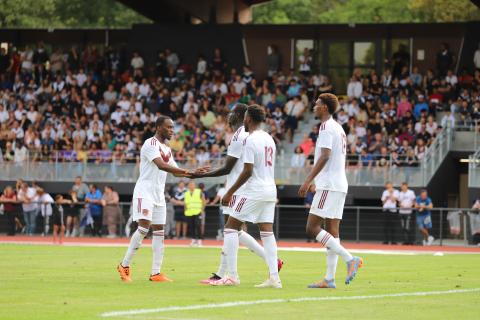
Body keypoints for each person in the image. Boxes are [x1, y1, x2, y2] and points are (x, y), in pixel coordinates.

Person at [193, 104, 282, 285]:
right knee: (262, 231)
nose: (229, 115)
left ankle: (231, 276)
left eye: (232, 112)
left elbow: (234, 168)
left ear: (245, 117)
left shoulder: (243, 136)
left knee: (230, 229)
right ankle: (273, 273)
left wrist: (226, 189)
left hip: (247, 188)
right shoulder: (268, 137)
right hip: (267, 188)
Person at [117, 116, 205, 283]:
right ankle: (124, 265)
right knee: (143, 229)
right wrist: (188, 172)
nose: (172, 130)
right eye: (169, 127)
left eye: (173, 128)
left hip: (158, 194)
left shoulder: (167, 148)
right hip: (145, 192)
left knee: (159, 231)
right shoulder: (150, 144)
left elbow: (175, 171)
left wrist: (194, 172)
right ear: (158, 127)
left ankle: (156, 273)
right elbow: (161, 165)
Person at [298, 93, 363, 289]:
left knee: (312, 227)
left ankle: (350, 258)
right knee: (333, 231)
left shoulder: (326, 127)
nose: (314, 106)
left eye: (317, 103)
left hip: (329, 184)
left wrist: (308, 180)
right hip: (339, 183)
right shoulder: (338, 128)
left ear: (325, 107)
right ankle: (329, 279)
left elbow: (325, 156)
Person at [184, 181, 205, 247]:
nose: (191, 186)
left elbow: (203, 201)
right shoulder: (186, 193)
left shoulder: (199, 191)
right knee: (191, 226)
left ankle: (199, 241)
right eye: (190, 185)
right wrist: (185, 210)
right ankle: (193, 240)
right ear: (188, 186)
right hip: (189, 212)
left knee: (198, 225)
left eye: (192, 185)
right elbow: (185, 203)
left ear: (195, 185)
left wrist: (202, 210)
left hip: (198, 211)